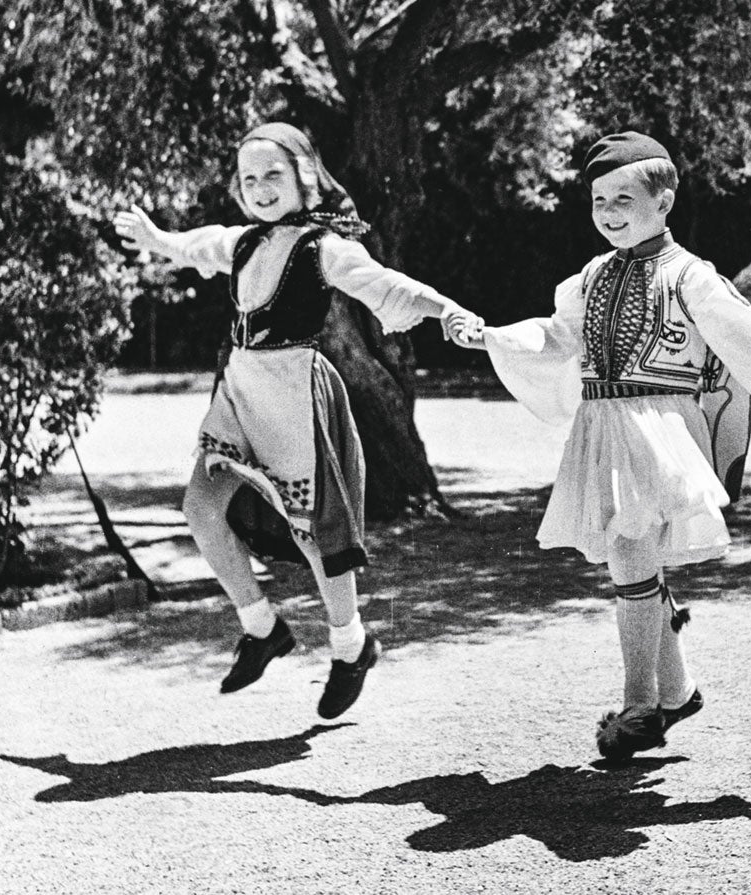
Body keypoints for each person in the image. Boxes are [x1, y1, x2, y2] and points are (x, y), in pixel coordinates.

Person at [448, 131, 751, 761]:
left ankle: (639, 705)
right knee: (631, 553)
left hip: (660, 428)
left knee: (631, 547)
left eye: (624, 197)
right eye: (598, 199)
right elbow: (557, 339)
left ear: (664, 203)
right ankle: (678, 689)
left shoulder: (691, 275)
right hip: (602, 427)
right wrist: (492, 337)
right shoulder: (589, 278)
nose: (609, 211)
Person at [114, 122, 479, 719]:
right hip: (238, 392)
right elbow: (194, 245)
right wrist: (156, 237)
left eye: (273, 175)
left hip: (293, 397)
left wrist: (448, 311)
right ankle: (262, 628)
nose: (260, 188)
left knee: (316, 535)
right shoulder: (242, 243)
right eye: (249, 177)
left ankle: (351, 646)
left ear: (305, 179)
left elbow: (387, 286)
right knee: (201, 510)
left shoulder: (325, 247)